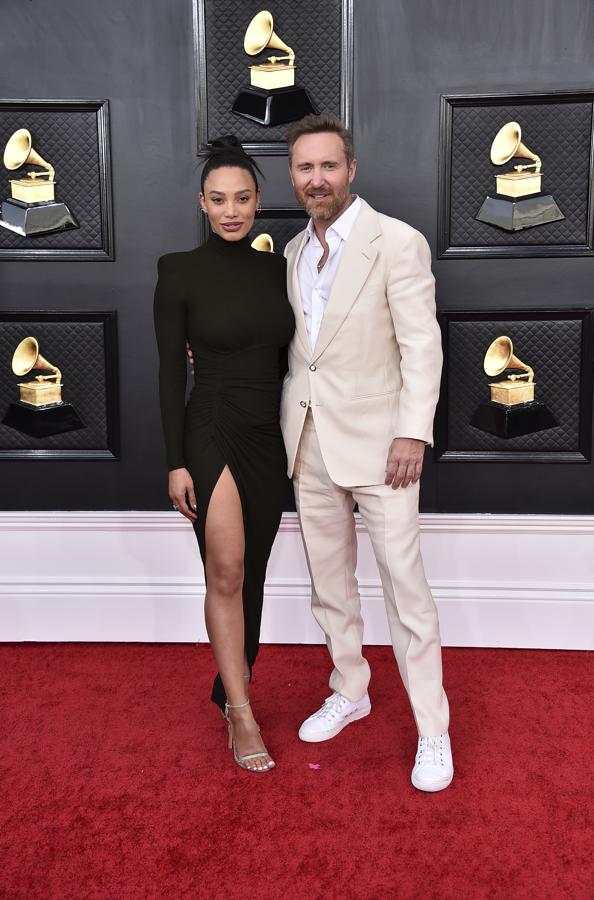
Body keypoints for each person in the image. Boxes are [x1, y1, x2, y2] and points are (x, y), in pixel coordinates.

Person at [281, 113, 454, 792]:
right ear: (292, 177)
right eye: (304, 168)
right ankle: (350, 690)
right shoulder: (292, 253)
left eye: (328, 165)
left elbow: (422, 344)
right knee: (330, 588)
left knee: (407, 595)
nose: (316, 178)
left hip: (387, 449)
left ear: (351, 169)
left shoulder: (398, 243)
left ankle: (433, 731)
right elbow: (297, 350)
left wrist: (413, 430)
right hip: (309, 444)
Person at [153, 136, 295, 773]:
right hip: (209, 427)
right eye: (218, 199)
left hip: (269, 432)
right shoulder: (176, 270)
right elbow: (166, 372)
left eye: (242, 198)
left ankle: (229, 682)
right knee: (228, 571)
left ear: (259, 201)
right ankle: (241, 709)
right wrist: (175, 460)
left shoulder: (280, 270)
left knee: (255, 575)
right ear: (201, 203)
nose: (231, 210)